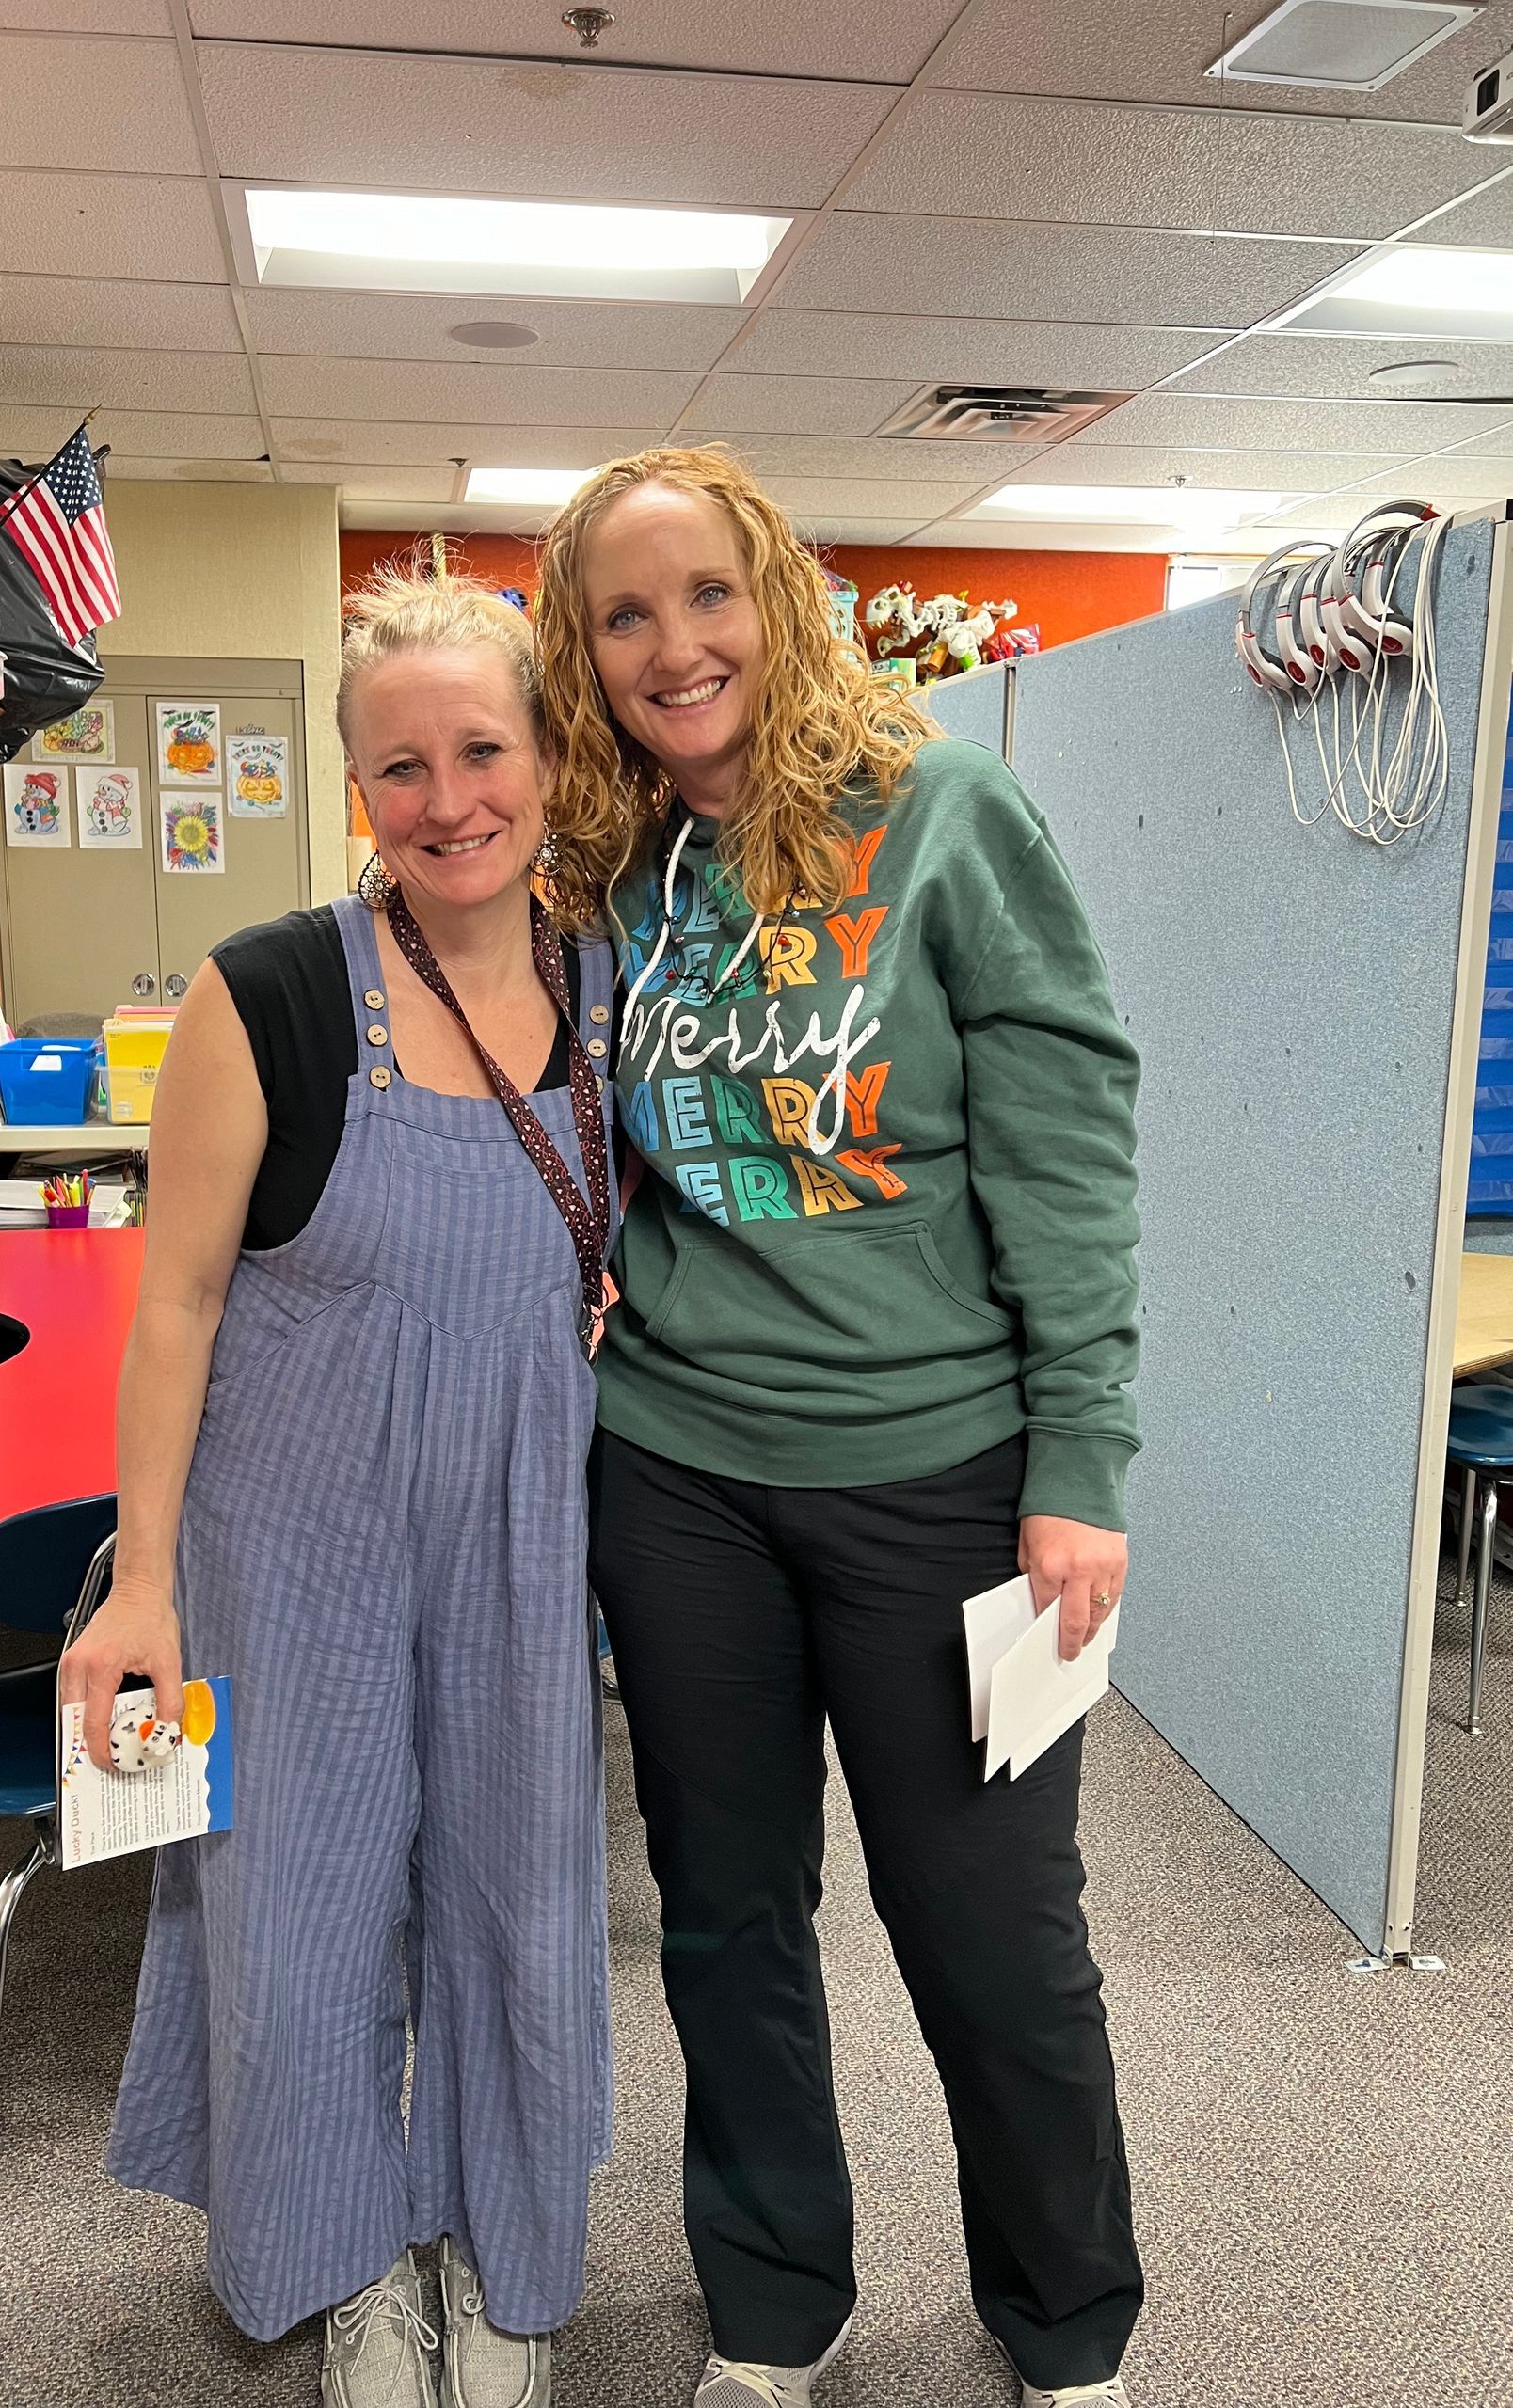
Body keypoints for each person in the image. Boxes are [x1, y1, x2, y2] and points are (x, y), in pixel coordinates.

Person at [535, 448, 1144, 2408]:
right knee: (725, 1918)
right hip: (684, 1475)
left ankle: (1068, 2326)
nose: (673, 644)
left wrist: (1083, 1465)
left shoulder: (945, 811)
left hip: (940, 1477)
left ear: (778, 597)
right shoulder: (613, 864)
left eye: (706, 593)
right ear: (585, 648)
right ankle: (776, 2306)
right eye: (625, 613)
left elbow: (1066, 1157)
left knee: (985, 1931)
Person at [61, 574, 617, 2408]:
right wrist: (141, 1586)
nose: (447, 798)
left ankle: (505, 2248)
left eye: (482, 749)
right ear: (353, 783)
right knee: (292, 1899)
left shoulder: (616, 983)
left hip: (529, 1518)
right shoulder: (275, 992)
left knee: (522, 1891)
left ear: (548, 756)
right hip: (289, 1525)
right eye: (400, 764)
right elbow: (179, 1309)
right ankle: (344, 2255)